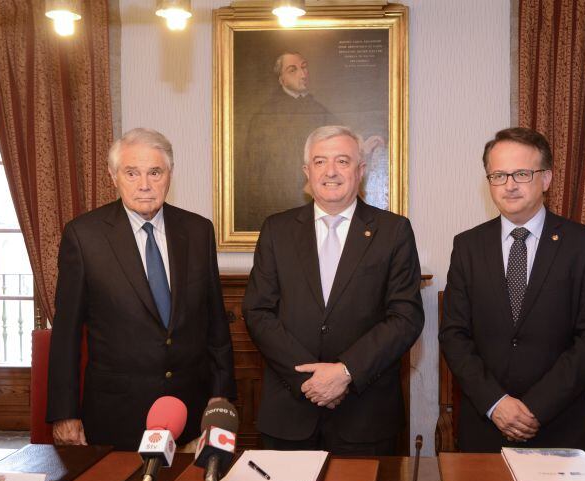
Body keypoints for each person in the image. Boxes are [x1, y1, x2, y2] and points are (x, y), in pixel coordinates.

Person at [46, 128, 237, 451]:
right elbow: (66, 334)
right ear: (113, 176)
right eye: (132, 173)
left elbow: (216, 324)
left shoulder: (198, 231)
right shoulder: (84, 236)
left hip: (188, 412)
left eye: (155, 172)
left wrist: (221, 397)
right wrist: (65, 413)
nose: (144, 184)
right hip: (115, 415)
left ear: (170, 175)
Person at [242, 125, 423, 455]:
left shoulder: (393, 231)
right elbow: (258, 312)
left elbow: (405, 317)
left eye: (342, 161)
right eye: (320, 161)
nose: (331, 172)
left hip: (365, 414)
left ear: (361, 170)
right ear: (306, 172)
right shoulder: (276, 230)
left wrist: (345, 372)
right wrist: (311, 381)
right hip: (289, 411)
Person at [439, 127, 585, 453]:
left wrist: (535, 409)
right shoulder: (468, 246)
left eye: (521, 173)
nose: (510, 185)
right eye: (498, 175)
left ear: (545, 179)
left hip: (559, 427)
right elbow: (454, 335)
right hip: (485, 426)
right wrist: (497, 403)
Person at [239, 52, 384, 231]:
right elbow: (254, 174)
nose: (303, 74)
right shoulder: (263, 118)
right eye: (293, 70)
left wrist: (364, 149)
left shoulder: (318, 109)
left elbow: (344, 140)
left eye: (304, 67)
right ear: (281, 79)